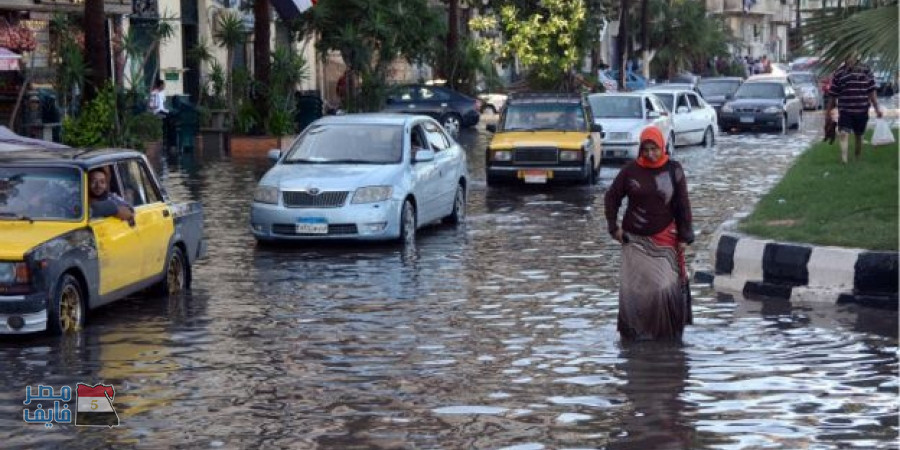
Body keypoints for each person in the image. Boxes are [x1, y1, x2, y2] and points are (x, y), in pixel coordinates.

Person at [604, 126, 694, 341]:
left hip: (665, 239)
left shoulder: (674, 170)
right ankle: (636, 334)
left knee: (663, 287)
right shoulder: (630, 171)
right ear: (640, 149)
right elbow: (611, 197)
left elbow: (683, 205)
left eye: (655, 149)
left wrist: (684, 236)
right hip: (634, 241)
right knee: (636, 288)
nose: (651, 154)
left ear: (662, 147)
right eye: (646, 149)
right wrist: (613, 228)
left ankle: (665, 335)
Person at [825, 54, 883, 164]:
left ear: (857, 57)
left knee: (859, 136)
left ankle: (857, 157)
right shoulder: (839, 73)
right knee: (843, 133)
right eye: (848, 56)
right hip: (845, 110)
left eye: (853, 56)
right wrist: (828, 113)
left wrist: (877, 108)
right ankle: (844, 159)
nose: (850, 59)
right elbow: (833, 95)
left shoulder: (865, 70)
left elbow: (872, 91)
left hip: (862, 109)